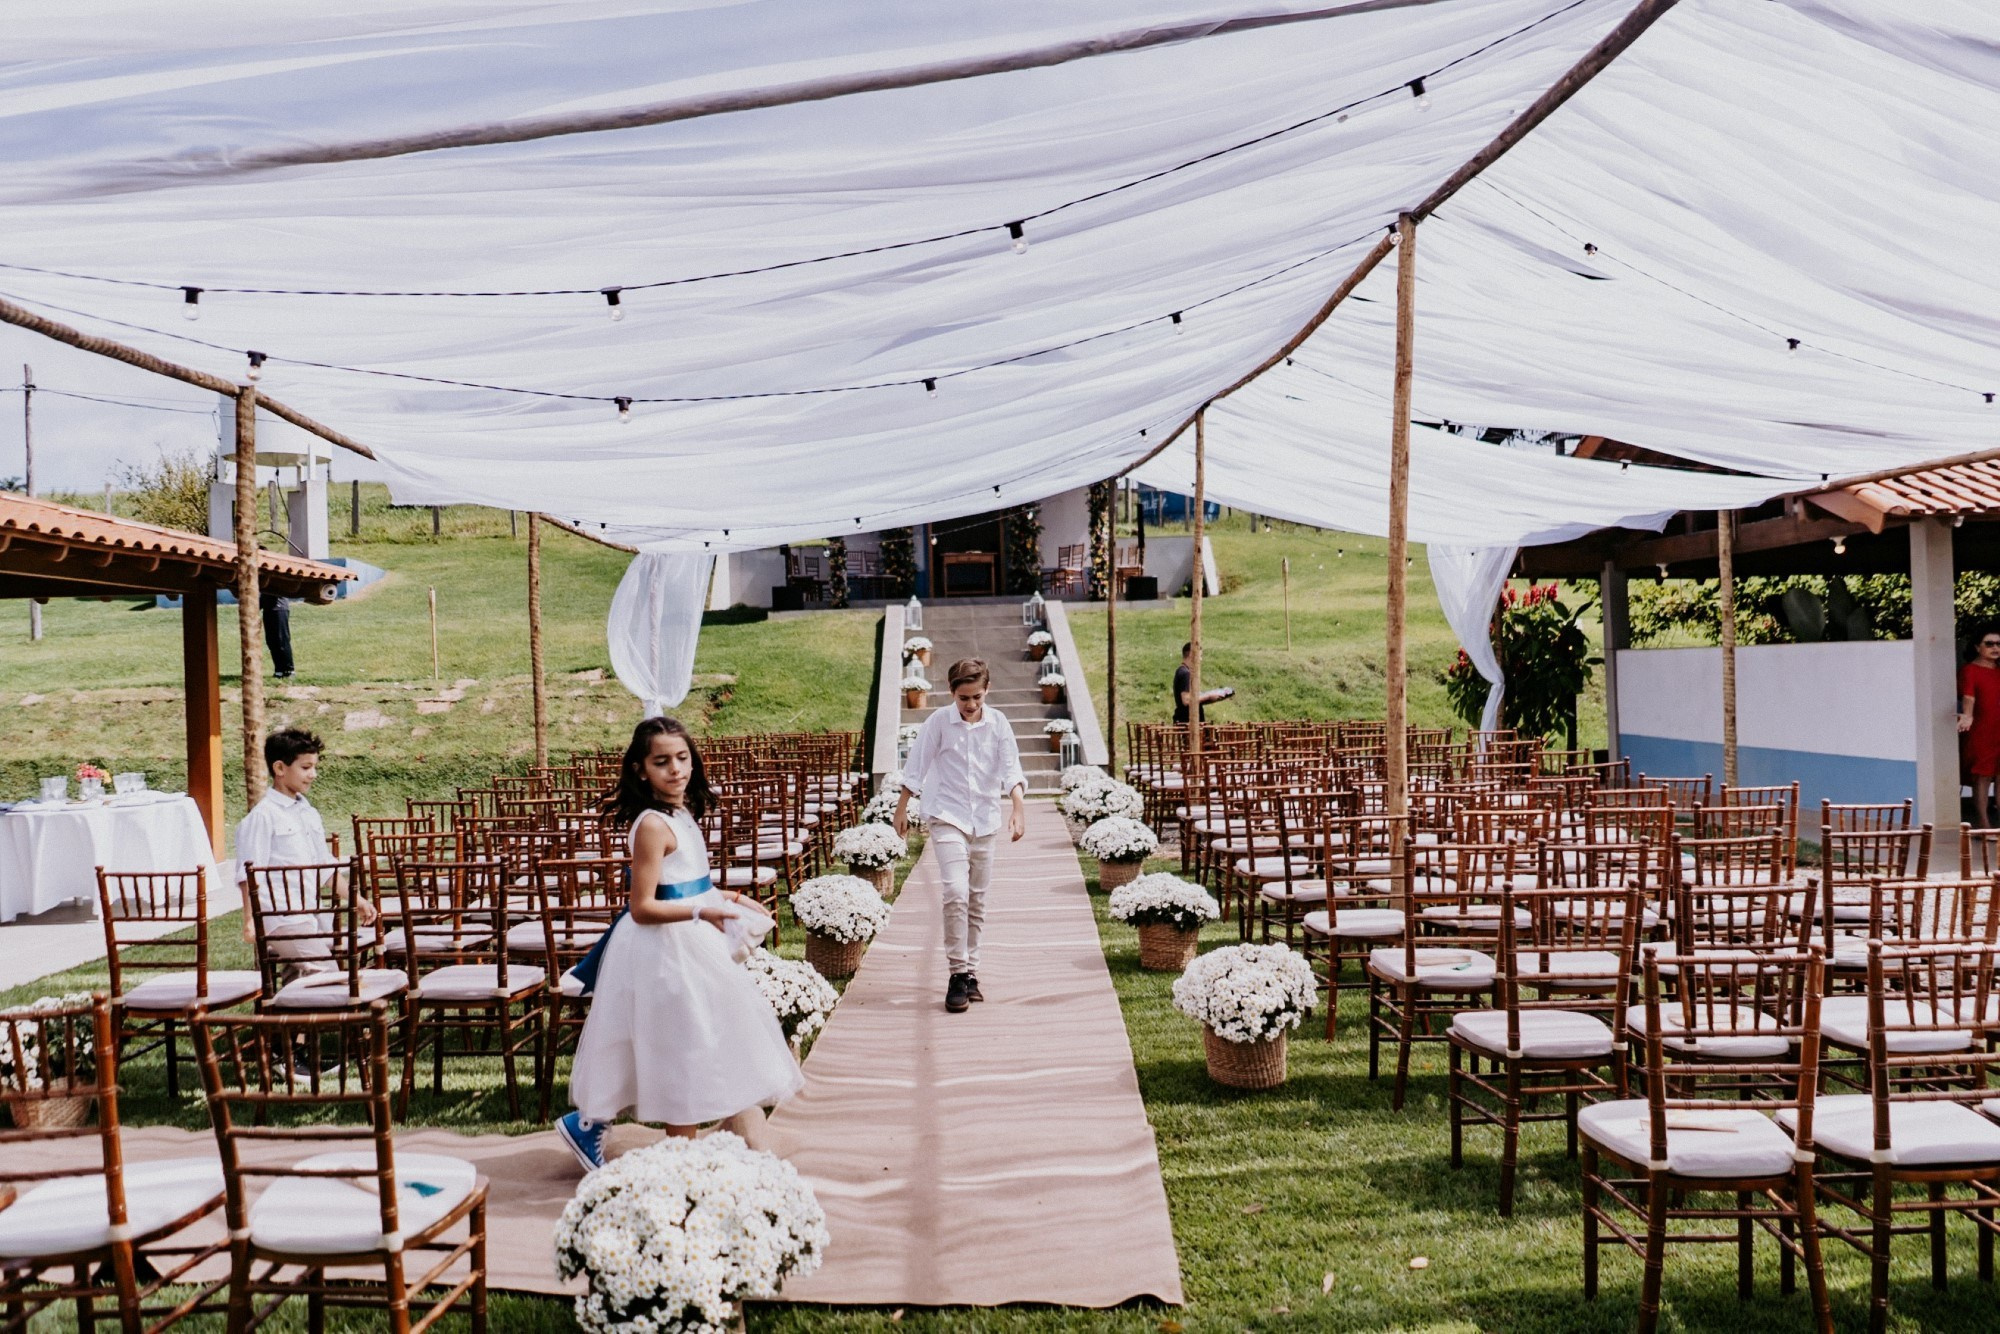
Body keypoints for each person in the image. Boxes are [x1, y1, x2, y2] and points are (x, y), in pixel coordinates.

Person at [557, 716, 800, 1172]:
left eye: (683, 758)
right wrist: (702, 913)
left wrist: (729, 896)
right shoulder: (651, 825)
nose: (676, 770)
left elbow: (685, 883)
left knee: (697, 1040)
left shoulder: (681, 812)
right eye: (662, 761)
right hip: (662, 948)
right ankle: (676, 1160)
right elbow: (644, 906)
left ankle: (605, 1129)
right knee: (677, 1047)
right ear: (640, 769)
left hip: (689, 942)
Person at [895, 658, 1027, 1014]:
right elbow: (917, 764)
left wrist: (1017, 808)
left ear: (987, 692)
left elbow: (1010, 768)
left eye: (977, 697)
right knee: (955, 891)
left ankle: (972, 973)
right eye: (964, 698)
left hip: (984, 819)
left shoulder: (998, 723)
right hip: (947, 815)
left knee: (977, 899)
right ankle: (956, 974)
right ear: (952, 693)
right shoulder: (939, 722)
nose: (970, 705)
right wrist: (902, 807)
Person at [234, 727, 374, 974]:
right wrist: (249, 921)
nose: (313, 774)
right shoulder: (263, 817)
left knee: (300, 986)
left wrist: (358, 900)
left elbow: (324, 866)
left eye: (314, 767)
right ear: (280, 769)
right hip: (280, 920)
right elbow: (248, 873)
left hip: (309, 918)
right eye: (306, 768)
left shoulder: (308, 813)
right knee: (329, 975)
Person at [1958, 627, 2000, 826]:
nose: (1995, 647)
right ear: (1977, 647)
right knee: (1982, 777)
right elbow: (1968, 696)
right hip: (1982, 731)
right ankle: (1984, 825)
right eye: (1989, 643)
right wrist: (1967, 716)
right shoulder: (1970, 670)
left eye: (1998, 644)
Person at [1171, 641, 1233, 724]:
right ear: (1191, 655)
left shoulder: (1183, 671)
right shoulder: (1185, 673)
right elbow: (1186, 700)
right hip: (1187, 722)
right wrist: (1208, 696)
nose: (1201, 659)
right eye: (1200, 656)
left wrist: (1211, 697)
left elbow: (1193, 699)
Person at [261, 589, 294, 680]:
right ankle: (279, 669)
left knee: (282, 640)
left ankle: (289, 670)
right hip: (268, 609)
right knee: (271, 641)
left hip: (279, 608)